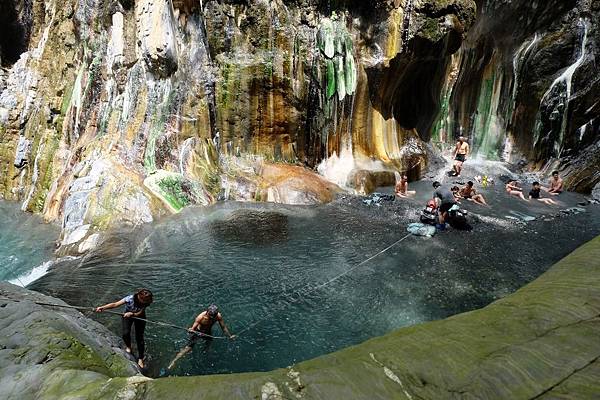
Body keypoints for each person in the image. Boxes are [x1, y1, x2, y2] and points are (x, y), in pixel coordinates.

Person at [95, 289, 153, 368]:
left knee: (139, 338)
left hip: (139, 317)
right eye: (143, 300)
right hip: (127, 315)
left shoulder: (146, 301)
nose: (144, 302)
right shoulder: (130, 298)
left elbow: (141, 312)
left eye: (146, 301)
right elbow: (115, 304)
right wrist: (103, 307)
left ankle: (140, 358)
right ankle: (129, 347)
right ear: (139, 296)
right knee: (125, 333)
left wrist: (132, 314)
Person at [167, 304, 235, 370]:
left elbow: (223, 327)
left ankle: (204, 355)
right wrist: (191, 330)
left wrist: (230, 336)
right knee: (188, 348)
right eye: (210, 315)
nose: (212, 317)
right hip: (198, 332)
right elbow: (192, 329)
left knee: (208, 345)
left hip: (208, 333)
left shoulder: (218, 316)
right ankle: (174, 361)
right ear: (207, 312)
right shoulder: (201, 317)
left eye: (213, 316)